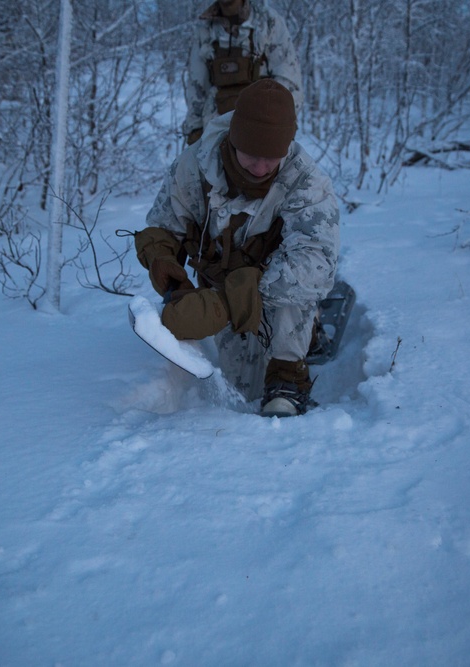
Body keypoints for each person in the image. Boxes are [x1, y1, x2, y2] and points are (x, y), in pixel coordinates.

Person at [136, 79, 339, 417]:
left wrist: (227, 303)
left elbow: (316, 262)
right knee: (244, 388)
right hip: (219, 286)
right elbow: (163, 225)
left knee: (298, 297)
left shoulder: (306, 181)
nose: (260, 169)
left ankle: (290, 375)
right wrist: (165, 265)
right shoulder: (194, 166)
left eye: (271, 158)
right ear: (233, 139)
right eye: (251, 157)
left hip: (276, 291)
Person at [182, 0, 303, 147]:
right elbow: (197, 85)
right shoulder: (205, 28)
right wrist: (195, 129)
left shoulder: (267, 21)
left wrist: (282, 124)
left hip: (263, 130)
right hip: (215, 133)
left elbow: (288, 79)